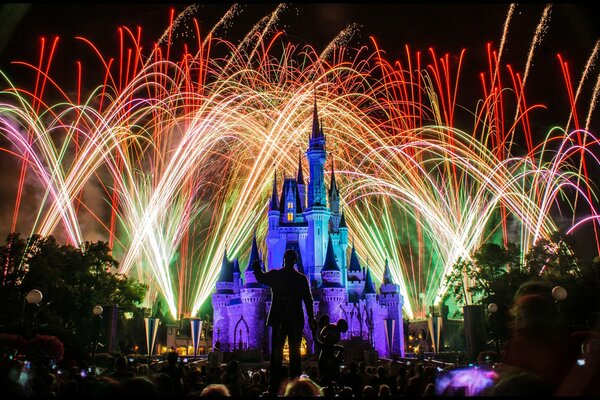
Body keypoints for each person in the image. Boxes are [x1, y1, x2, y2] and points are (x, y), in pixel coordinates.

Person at [253, 249, 317, 395]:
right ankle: (295, 383)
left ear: (285, 260)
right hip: (294, 320)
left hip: (279, 319)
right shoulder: (301, 279)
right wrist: (311, 317)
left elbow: (261, 278)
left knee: (277, 352)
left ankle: (274, 383)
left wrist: (257, 269)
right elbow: (308, 300)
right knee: (294, 353)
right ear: (295, 261)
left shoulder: (276, 275)